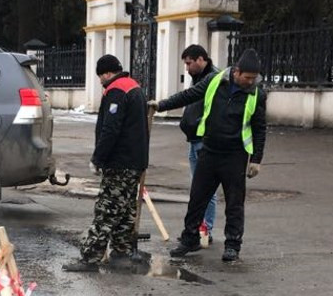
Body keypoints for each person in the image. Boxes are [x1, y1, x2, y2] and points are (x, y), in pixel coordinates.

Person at [151, 48, 267, 263]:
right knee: (197, 198)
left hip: (235, 155)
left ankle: (232, 245)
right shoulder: (214, 81)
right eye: (248, 78)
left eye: (254, 78)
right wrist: (162, 105)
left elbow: (260, 128)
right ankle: (190, 239)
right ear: (237, 72)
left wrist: (257, 159)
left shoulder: (257, 94)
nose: (251, 82)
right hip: (210, 150)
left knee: (234, 203)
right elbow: (189, 95)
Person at [64, 54, 149, 272]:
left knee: (107, 210)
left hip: (119, 162)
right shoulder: (134, 87)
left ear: (107, 73)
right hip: (134, 162)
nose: (101, 82)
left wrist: (98, 158)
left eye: (101, 77)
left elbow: (111, 129)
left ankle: (90, 258)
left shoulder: (116, 91)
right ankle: (120, 253)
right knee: (125, 209)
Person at [178, 44, 219, 245]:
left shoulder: (213, 79)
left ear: (201, 59)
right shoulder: (198, 78)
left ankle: (205, 229)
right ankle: (196, 228)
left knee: (206, 188)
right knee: (197, 187)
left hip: (204, 141)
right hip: (194, 139)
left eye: (189, 63)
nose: (187, 68)